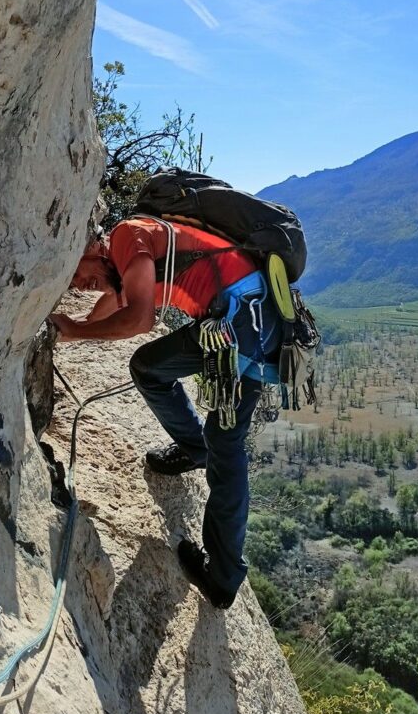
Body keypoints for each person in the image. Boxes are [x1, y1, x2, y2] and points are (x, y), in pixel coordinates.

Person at [50, 215, 281, 609]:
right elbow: (114, 301)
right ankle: (194, 448)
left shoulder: (126, 236)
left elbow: (139, 318)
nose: (79, 284)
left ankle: (222, 578)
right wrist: (74, 327)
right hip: (238, 316)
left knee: (226, 443)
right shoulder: (126, 255)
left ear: (90, 246)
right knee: (149, 367)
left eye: (76, 272)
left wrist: (75, 331)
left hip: (242, 324)